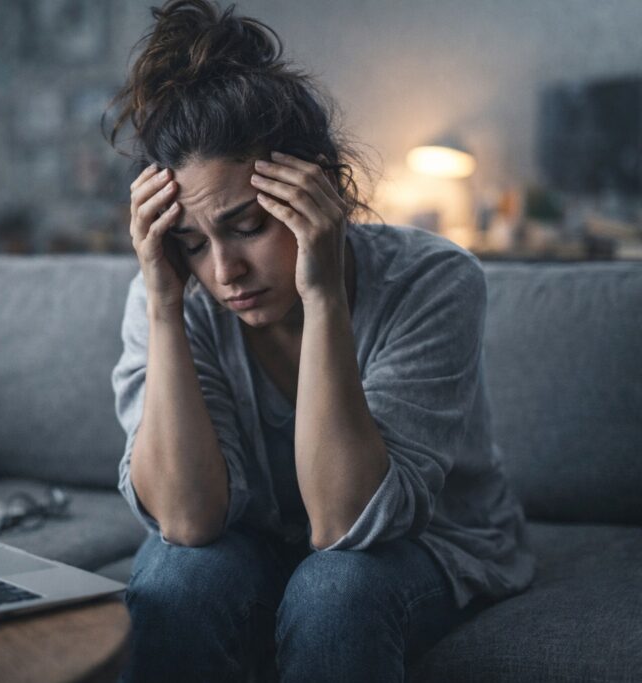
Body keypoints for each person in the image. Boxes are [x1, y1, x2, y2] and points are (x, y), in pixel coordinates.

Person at [106, 1, 535, 681]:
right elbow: (187, 522)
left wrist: (324, 293)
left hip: (425, 545)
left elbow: (344, 524)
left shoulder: (432, 280)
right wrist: (163, 306)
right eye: (192, 243)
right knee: (174, 581)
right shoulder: (173, 289)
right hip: (251, 540)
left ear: (320, 195)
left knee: (334, 591)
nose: (224, 271)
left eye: (249, 226)